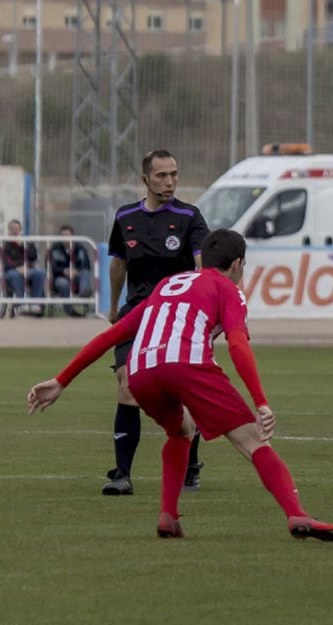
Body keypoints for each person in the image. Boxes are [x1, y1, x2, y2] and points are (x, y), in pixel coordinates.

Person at [27, 229, 333, 542]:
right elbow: (238, 345)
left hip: (140, 372)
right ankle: (297, 514)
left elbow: (112, 335)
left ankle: (168, 516)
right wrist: (261, 401)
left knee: (181, 430)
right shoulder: (229, 289)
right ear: (237, 264)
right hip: (187, 365)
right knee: (253, 441)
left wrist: (61, 380)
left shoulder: (168, 285)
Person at [104, 149, 208, 496]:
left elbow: (200, 266)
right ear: (145, 179)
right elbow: (118, 264)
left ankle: (191, 464)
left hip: (176, 317)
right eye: (162, 175)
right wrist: (115, 304)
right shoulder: (125, 216)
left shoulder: (190, 216)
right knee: (127, 384)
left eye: (174, 174)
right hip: (135, 314)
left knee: (181, 391)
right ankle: (122, 474)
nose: (170, 182)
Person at [2, 219, 46, 316]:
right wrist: (17, 268)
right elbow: (3, 261)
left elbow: (33, 257)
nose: (14, 231)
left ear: (20, 230)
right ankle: (21, 303)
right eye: (12, 229)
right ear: (8, 230)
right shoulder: (3, 244)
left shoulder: (27, 243)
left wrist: (23, 246)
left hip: (27, 269)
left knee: (40, 273)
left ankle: (35, 304)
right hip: (10, 271)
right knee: (15, 275)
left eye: (17, 229)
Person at [49, 224, 95, 317]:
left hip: (77, 275)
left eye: (67, 235)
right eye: (63, 235)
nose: (65, 237)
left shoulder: (80, 248)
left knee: (85, 273)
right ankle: (69, 310)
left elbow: (86, 265)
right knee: (62, 284)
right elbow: (51, 267)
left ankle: (84, 294)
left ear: (72, 236)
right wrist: (63, 271)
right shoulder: (54, 249)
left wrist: (76, 270)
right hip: (60, 276)